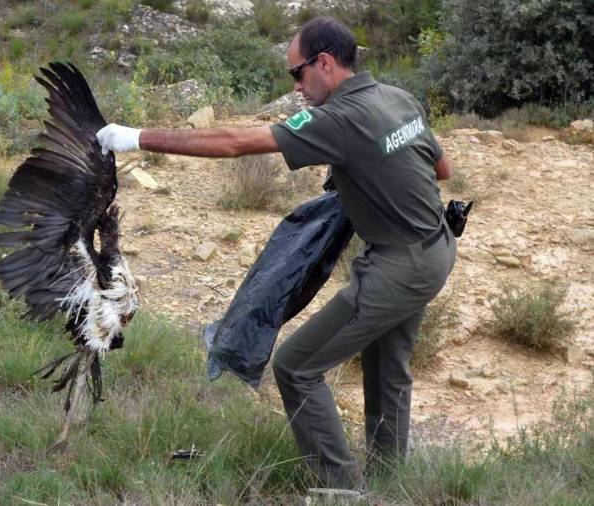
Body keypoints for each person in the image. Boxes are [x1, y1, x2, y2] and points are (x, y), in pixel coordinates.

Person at [96, 16, 456, 491]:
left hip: (398, 268)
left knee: (295, 367)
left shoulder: (337, 118)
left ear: (324, 63)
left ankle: (341, 488)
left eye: (297, 74)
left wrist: (136, 137)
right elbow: (442, 168)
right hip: (438, 250)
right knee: (388, 370)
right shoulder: (397, 97)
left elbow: (234, 144)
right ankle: (391, 486)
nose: (297, 87)